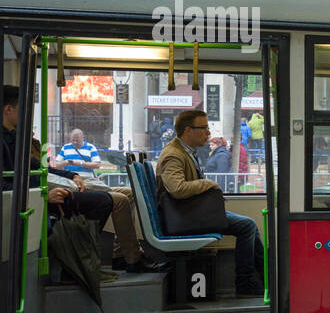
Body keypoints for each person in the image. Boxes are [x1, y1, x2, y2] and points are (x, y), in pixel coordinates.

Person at [1, 87, 164, 273]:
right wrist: (43, 196)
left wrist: (72, 175)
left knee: (125, 195)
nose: (26, 116)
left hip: (52, 188)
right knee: (117, 200)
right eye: (22, 109)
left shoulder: (15, 138)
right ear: (8, 110)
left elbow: (39, 168)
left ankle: (123, 254)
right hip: (42, 196)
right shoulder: (11, 141)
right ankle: (125, 259)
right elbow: (10, 183)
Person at [156, 109, 262, 295]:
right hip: (184, 217)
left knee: (249, 225)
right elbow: (177, 189)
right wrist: (207, 184)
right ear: (188, 130)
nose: (208, 133)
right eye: (203, 128)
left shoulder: (186, 151)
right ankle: (246, 282)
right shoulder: (173, 155)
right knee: (247, 226)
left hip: (189, 211)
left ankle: (264, 277)